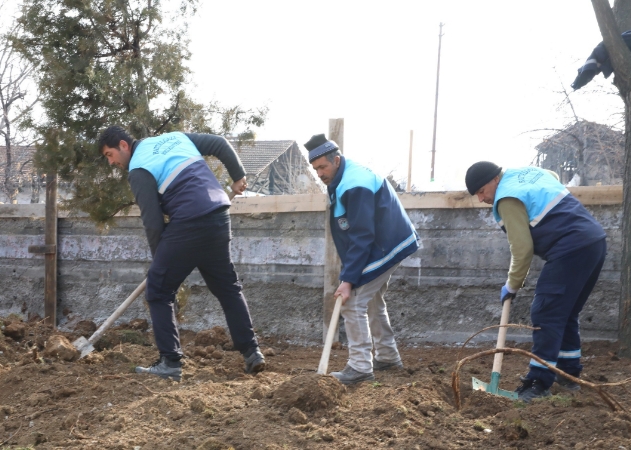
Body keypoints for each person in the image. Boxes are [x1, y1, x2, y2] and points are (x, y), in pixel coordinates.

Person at [98, 125, 266, 381]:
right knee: (228, 288)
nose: (111, 162)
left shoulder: (138, 168)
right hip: (218, 216)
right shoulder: (175, 138)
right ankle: (252, 353)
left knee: (158, 291)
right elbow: (219, 143)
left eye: (110, 154)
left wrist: (160, 267)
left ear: (123, 145)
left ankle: (170, 362)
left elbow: (153, 222)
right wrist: (237, 175)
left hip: (188, 222)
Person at [464, 162, 607, 402]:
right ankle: (568, 373)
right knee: (565, 312)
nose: (481, 199)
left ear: (493, 180)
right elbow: (550, 176)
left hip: (570, 247)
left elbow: (522, 249)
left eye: (481, 191)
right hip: (594, 241)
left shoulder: (506, 198)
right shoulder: (528, 174)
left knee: (546, 312)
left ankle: (538, 383)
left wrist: (512, 285)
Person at [305, 134, 419, 385]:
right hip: (386, 241)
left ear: (336, 160)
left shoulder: (355, 184)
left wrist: (348, 279)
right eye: (315, 169)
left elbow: (362, 235)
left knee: (352, 300)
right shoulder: (342, 177)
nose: (320, 174)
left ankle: (359, 367)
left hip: (384, 244)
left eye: (323, 167)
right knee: (371, 299)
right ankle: (387, 356)